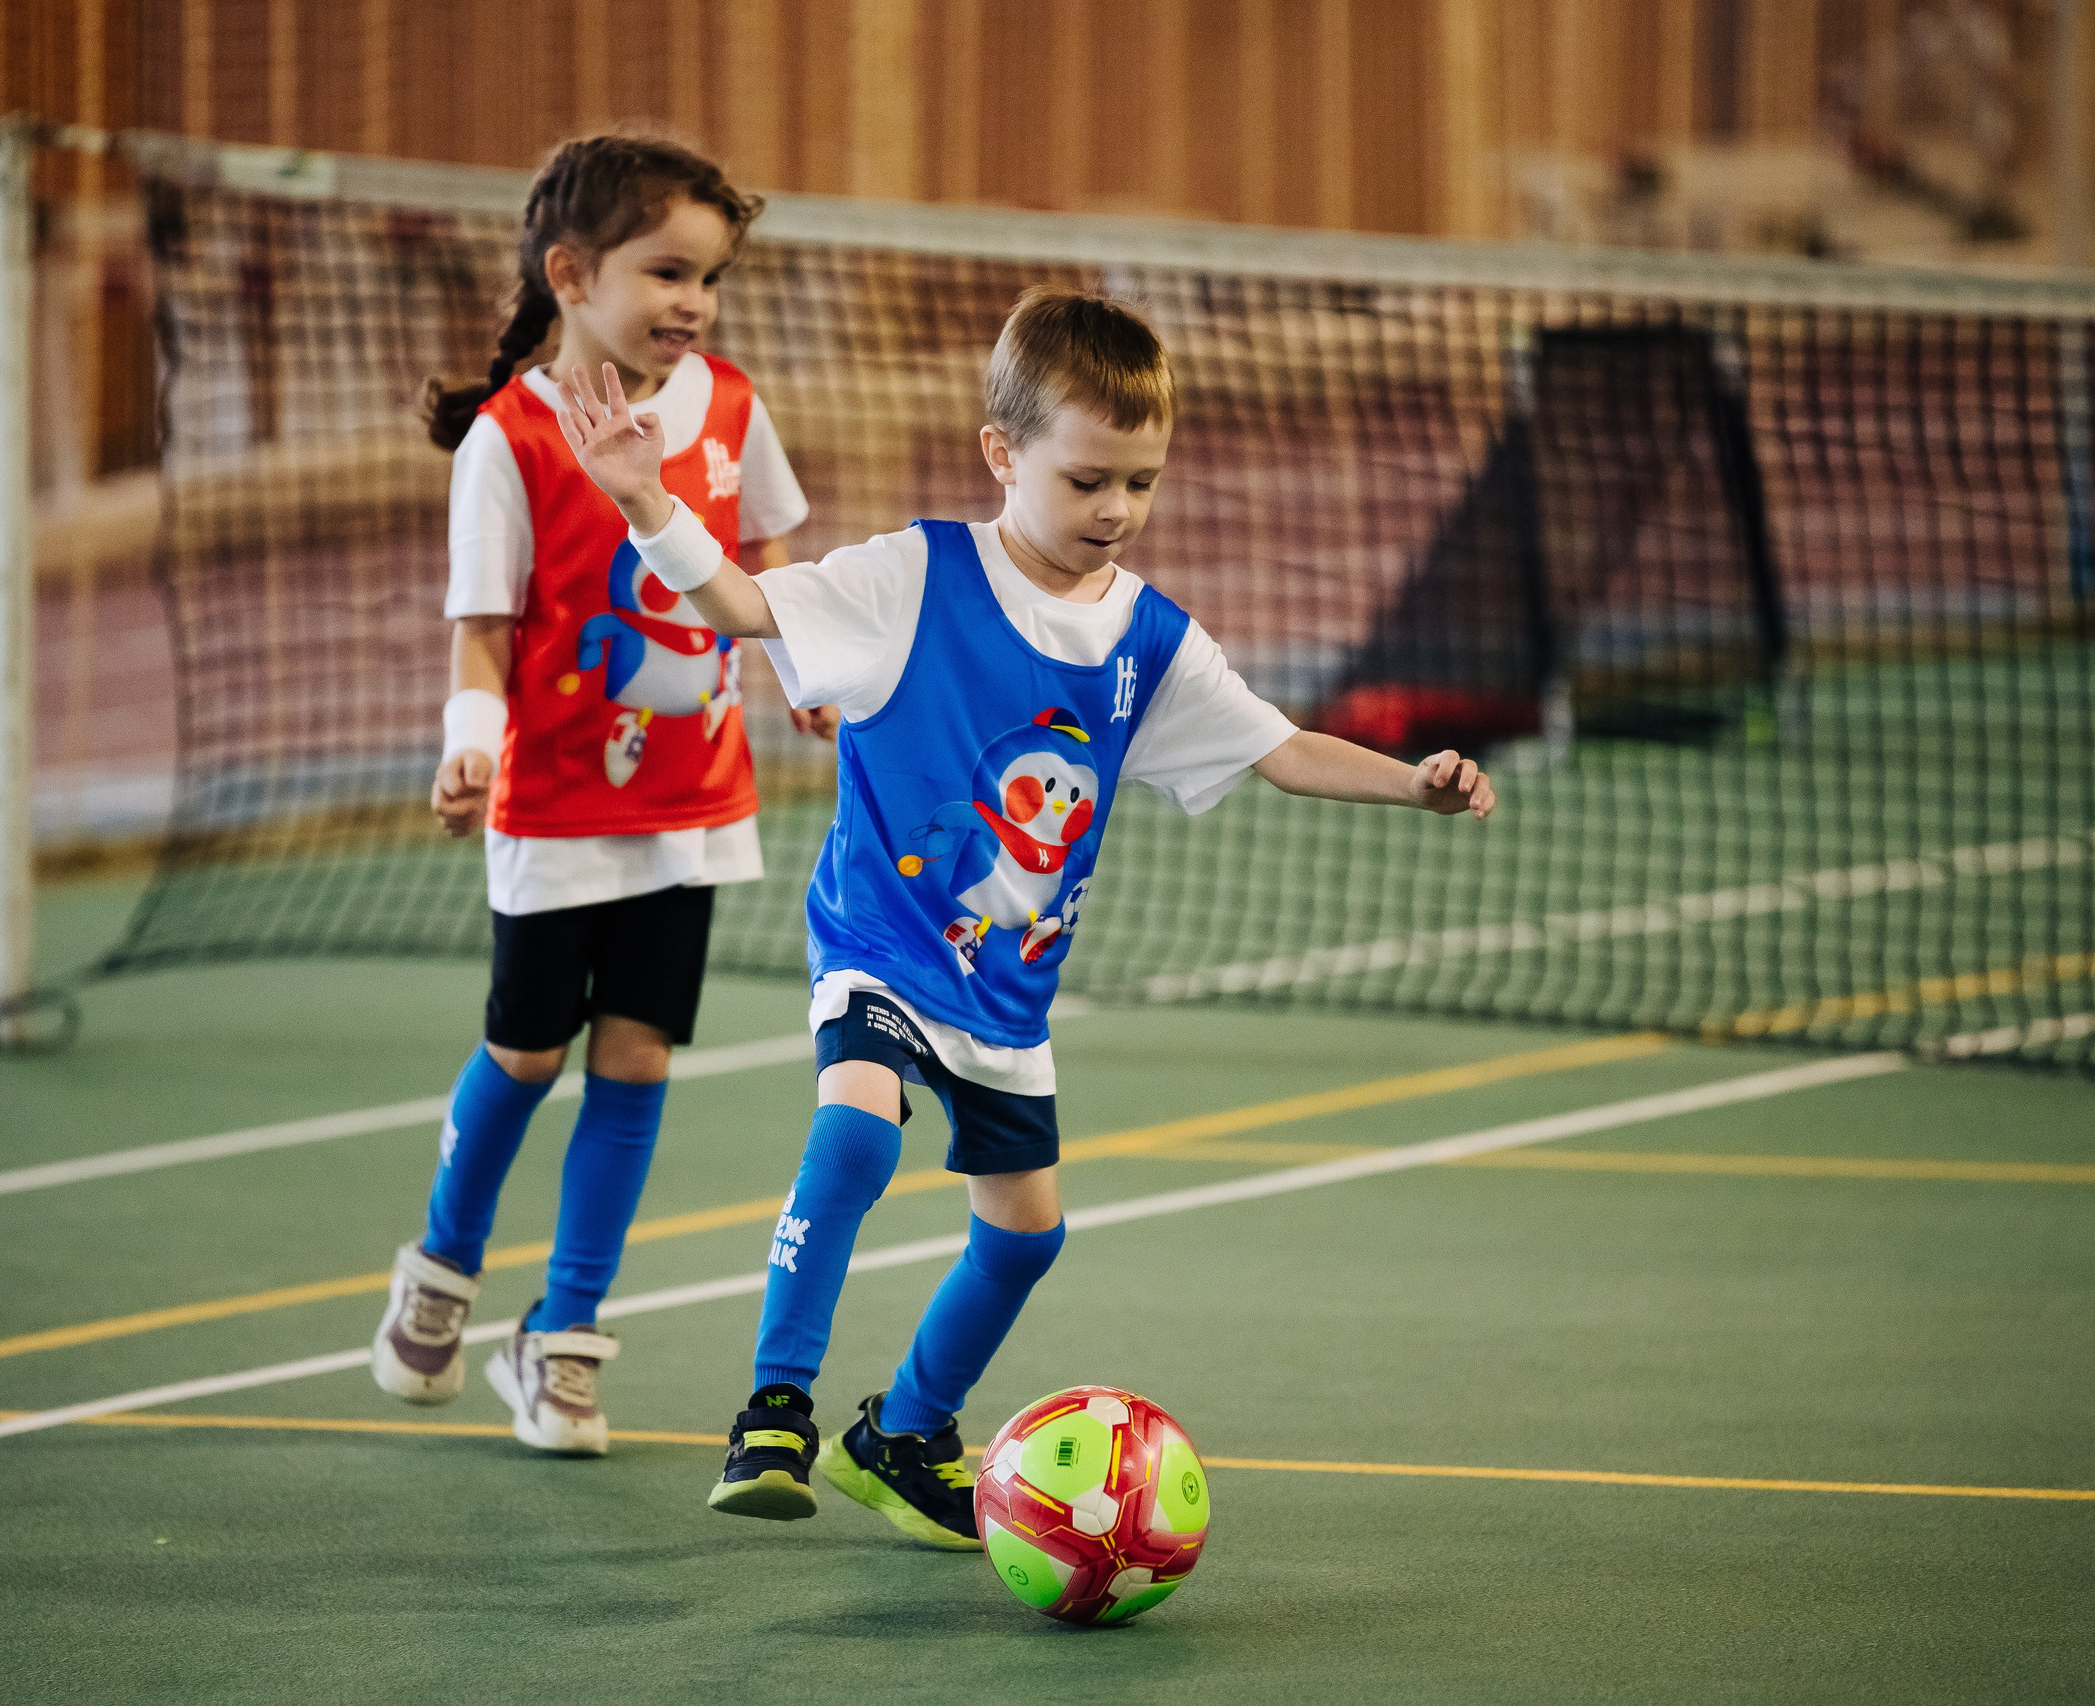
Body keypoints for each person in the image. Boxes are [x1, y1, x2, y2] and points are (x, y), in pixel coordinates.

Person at [555, 287, 1496, 1546]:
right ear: (1004, 454)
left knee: (1025, 1237)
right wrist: (641, 496)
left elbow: (1278, 747)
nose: (1115, 509)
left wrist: (1411, 780)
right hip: (879, 940)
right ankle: (774, 1406)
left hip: (1006, 994)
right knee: (854, 1140)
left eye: (1141, 484)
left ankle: (905, 1430)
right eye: (1090, 478)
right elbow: (734, 604)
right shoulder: (910, 576)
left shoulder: (1148, 641)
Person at [370, 133, 825, 1457]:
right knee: (526, 1051)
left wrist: (797, 660)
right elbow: (484, 628)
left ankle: (561, 1338)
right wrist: (470, 740)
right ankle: (443, 1265)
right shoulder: (511, 439)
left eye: (710, 277)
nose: (694, 301)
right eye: (667, 271)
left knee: (636, 1059)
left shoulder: (733, 407)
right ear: (571, 273)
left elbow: (770, 552)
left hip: (692, 807)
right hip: (558, 810)